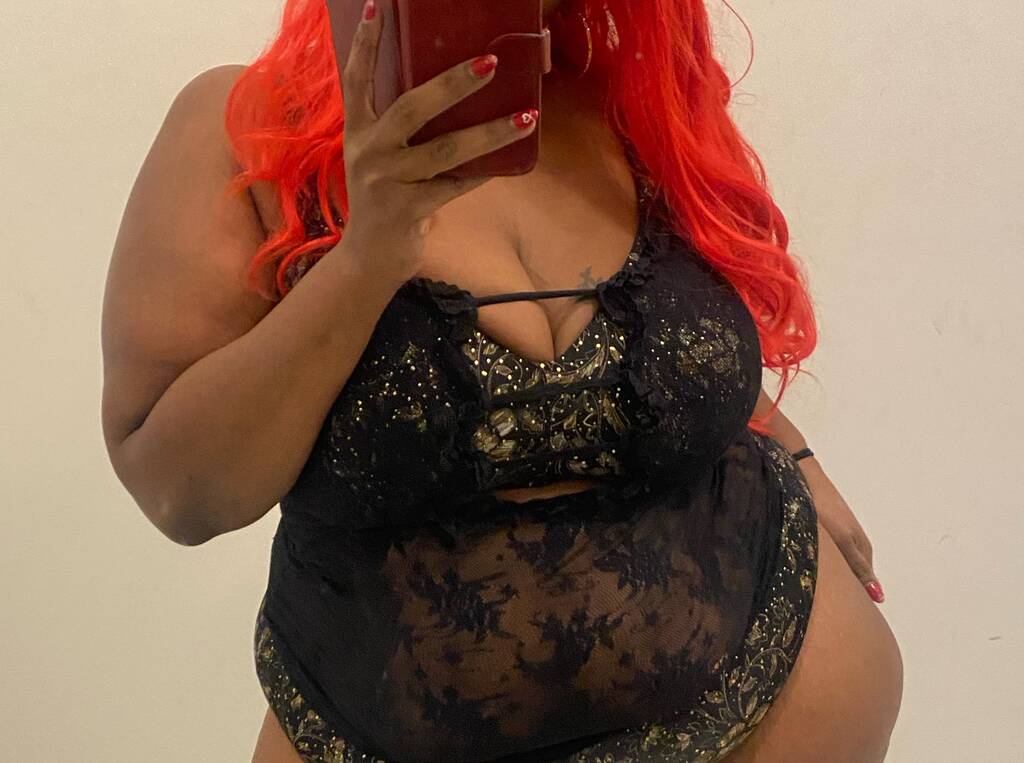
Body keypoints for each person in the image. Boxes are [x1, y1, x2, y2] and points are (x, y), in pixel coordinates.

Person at [101, 0, 903, 760]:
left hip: (769, 690)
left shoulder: (632, 101)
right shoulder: (249, 128)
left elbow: (687, 349)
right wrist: (366, 256)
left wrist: (795, 453)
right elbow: (182, 493)